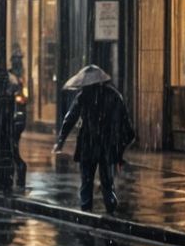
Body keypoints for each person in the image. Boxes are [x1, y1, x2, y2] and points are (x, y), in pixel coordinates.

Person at [54, 68, 136, 213]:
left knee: (86, 182)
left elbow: (70, 119)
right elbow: (128, 127)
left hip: (88, 144)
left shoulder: (83, 96)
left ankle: (86, 212)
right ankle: (111, 211)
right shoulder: (114, 95)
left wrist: (61, 141)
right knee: (107, 183)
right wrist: (119, 149)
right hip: (107, 146)